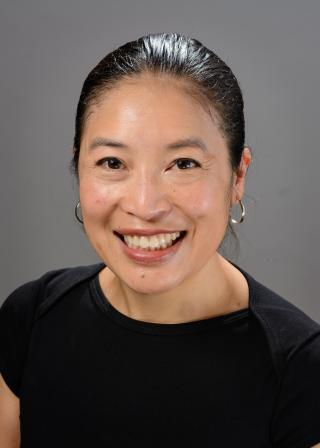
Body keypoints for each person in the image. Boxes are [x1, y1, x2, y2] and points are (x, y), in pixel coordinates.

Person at [0, 32, 319, 448]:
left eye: (183, 163)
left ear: (238, 176)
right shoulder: (31, 317)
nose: (145, 205)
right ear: (78, 167)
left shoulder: (302, 369)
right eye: (112, 162)